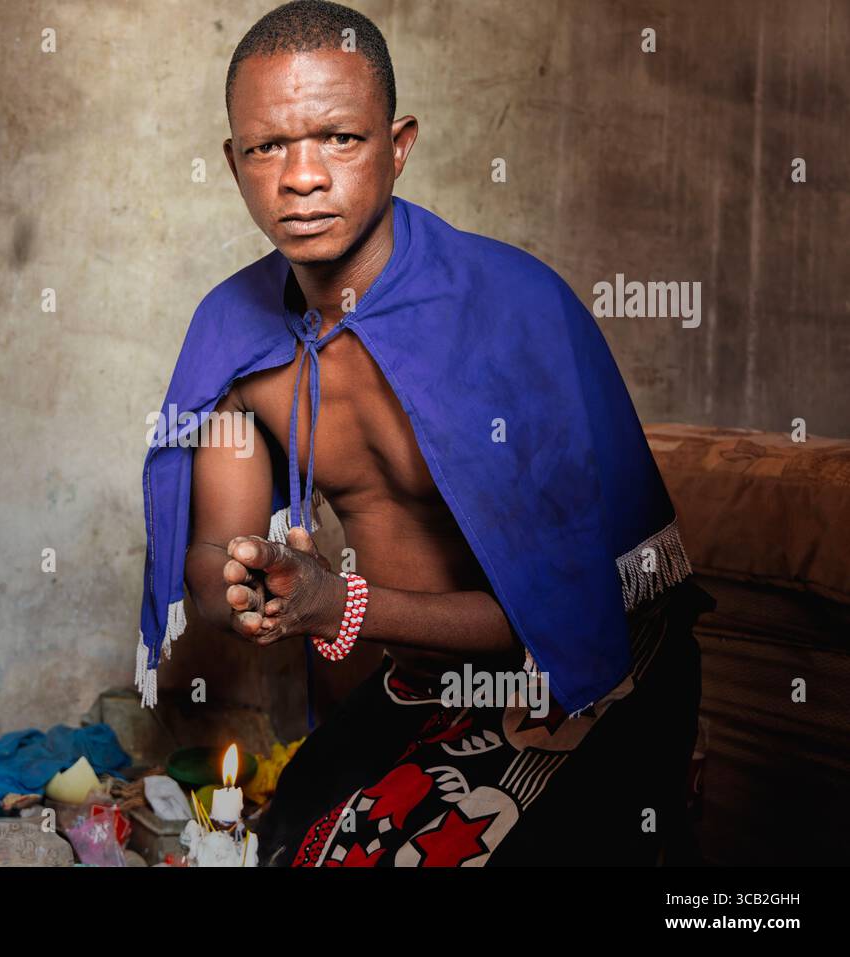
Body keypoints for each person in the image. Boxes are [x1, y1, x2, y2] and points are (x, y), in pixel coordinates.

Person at [134, 0, 715, 866]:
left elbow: (571, 609)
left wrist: (338, 603)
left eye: (339, 137)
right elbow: (214, 559)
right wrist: (253, 588)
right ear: (233, 162)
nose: (301, 177)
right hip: (418, 678)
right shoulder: (236, 339)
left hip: (591, 672)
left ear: (398, 146)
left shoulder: (511, 311)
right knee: (285, 846)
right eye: (268, 147)